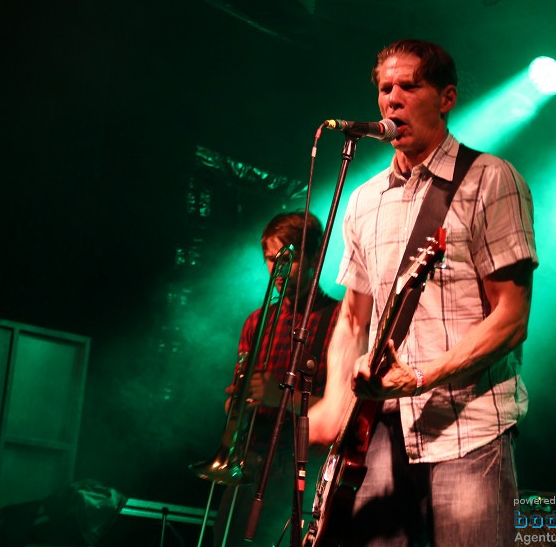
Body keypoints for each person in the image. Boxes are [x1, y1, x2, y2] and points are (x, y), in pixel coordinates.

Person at [307, 39, 538, 546]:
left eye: (409, 86)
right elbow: (351, 319)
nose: (393, 99)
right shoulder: (364, 200)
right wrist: (332, 400)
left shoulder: (490, 180)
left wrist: (423, 378)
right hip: (378, 434)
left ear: (447, 97)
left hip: (469, 430)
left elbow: (511, 317)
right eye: (385, 89)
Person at [212, 210, 340, 546]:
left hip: (303, 468)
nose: (277, 270)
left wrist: (278, 395)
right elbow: (234, 400)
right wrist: (236, 404)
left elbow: (342, 410)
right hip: (250, 461)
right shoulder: (256, 321)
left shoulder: (340, 319)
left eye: (289, 259)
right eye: (271, 259)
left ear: (314, 257)